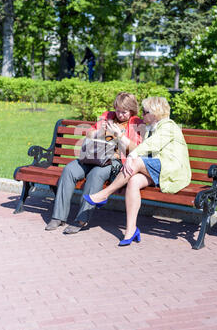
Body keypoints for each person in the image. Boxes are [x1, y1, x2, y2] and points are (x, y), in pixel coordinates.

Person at [84, 96, 192, 246]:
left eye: (146, 112)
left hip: (172, 169)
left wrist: (132, 156)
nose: (142, 115)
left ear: (155, 113)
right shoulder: (150, 129)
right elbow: (143, 152)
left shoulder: (168, 126)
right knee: (133, 181)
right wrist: (118, 137)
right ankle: (131, 230)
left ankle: (104, 194)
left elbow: (151, 146)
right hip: (156, 168)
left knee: (135, 162)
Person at [45, 92, 144, 234]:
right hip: (93, 156)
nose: (120, 114)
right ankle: (58, 217)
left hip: (115, 161)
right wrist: (101, 131)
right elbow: (89, 134)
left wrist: (119, 136)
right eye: (118, 110)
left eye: (124, 112)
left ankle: (81, 219)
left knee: (96, 174)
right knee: (69, 170)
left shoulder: (136, 123)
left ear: (132, 110)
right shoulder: (108, 116)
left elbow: (138, 148)